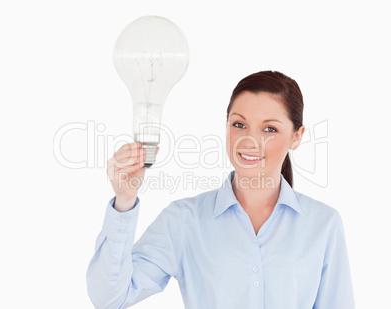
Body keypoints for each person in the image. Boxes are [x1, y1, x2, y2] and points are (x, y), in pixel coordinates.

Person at [86, 71, 355, 308]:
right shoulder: (184, 220)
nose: (250, 140)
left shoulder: (324, 224)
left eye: (269, 129)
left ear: (297, 137)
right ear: (226, 125)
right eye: (239, 124)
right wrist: (124, 200)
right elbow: (110, 299)